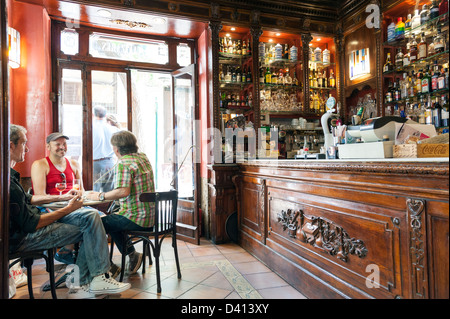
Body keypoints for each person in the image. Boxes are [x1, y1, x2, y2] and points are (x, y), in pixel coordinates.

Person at [9, 124, 131, 298]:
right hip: (23, 237)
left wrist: (63, 198)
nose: (27, 148)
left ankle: (91, 279)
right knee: (92, 223)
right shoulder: (32, 170)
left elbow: (30, 199)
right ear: (11, 146)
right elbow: (32, 223)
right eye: (24, 143)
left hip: (29, 226)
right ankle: (87, 279)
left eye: (64, 143)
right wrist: (67, 209)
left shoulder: (9, 176)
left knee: (94, 219)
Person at [86, 130, 155, 275]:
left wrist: (100, 196)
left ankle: (106, 266)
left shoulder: (123, 163)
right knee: (112, 221)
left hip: (135, 218)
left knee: (96, 224)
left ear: (116, 149)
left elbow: (123, 192)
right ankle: (132, 255)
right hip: (150, 217)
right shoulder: (143, 157)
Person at [30, 132, 83, 264]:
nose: (62, 147)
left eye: (64, 144)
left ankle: (72, 256)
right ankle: (77, 261)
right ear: (48, 146)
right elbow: (39, 196)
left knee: (101, 219)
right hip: (49, 208)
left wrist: (80, 196)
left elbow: (82, 190)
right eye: (57, 144)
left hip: (73, 206)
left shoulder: (74, 164)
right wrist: (63, 199)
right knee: (88, 222)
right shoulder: (40, 165)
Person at [93, 106, 118, 193]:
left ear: (93, 114)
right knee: (110, 193)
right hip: (111, 164)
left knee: (93, 193)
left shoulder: (90, 128)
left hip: (95, 164)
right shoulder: (114, 129)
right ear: (105, 115)